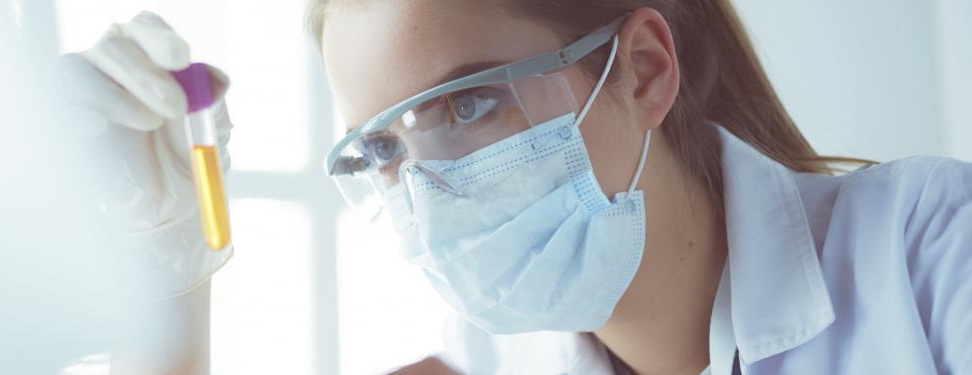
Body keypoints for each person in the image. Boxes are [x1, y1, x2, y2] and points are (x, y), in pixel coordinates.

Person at [57, 0, 972, 373]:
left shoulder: (930, 255)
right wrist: (171, 276)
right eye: (381, 150)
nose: (430, 191)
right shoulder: (482, 360)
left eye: (467, 105)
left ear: (645, 70)